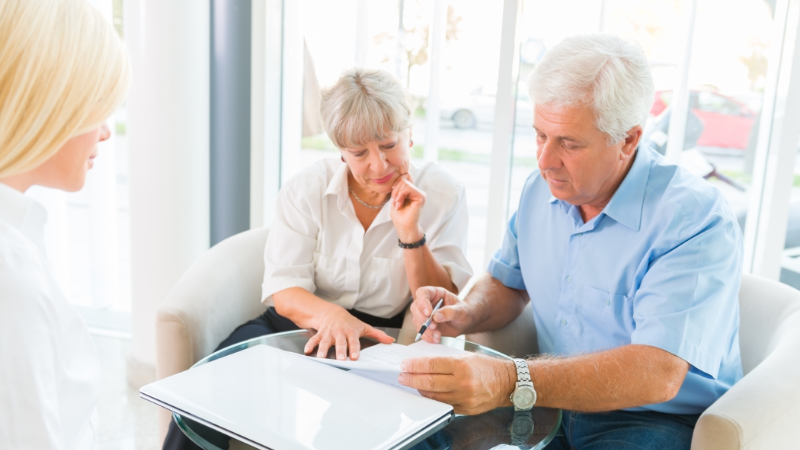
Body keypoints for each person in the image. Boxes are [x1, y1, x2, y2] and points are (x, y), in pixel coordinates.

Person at [401, 34, 743, 450]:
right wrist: (468, 311)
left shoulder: (693, 218)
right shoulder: (539, 190)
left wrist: (512, 379)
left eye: (569, 143)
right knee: (412, 439)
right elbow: (510, 282)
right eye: (540, 135)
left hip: (652, 419)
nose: (545, 160)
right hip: (548, 403)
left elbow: (657, 372)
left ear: (629, 140)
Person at [162, 67, 472, 449]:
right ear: (341, 151)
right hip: (298, 324)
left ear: (410, 133)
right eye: (359, 153)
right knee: (205, 395)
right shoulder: (305, 189)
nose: (378, 165)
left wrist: (410, 233)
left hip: (385, 340)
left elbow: (440, 299)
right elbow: (284, 292)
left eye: (389, 145)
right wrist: (330, 316)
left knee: (420, 438)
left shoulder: (445, 195)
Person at [0, 1, 131, 448]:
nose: (105, 132)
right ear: (48, 105)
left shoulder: (19, 231)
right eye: (98, 108)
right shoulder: (10, 277)